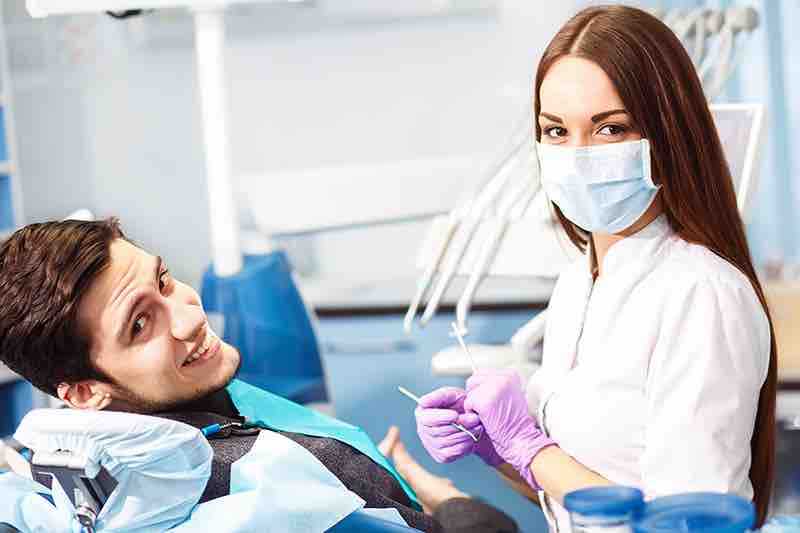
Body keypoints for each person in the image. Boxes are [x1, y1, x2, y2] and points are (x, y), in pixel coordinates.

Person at [413, 5, 776, 531]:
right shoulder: (579, 283)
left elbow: (688, 524)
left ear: (667, 136)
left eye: (609, 129)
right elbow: (571, 496)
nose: (577, 155)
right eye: (555, 131)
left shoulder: (701, 293)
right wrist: (497, 450)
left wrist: (529, 446)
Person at [0, 218, 518, 533]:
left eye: (163, 280)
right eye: (140, 324)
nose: (188, 317)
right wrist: (456, 501)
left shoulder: (102, 464)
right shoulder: (267, 484)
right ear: (86, 391)